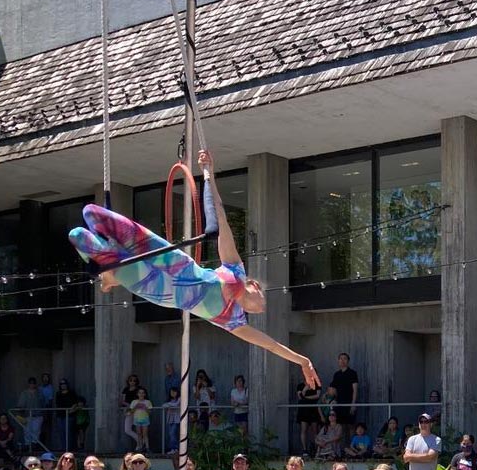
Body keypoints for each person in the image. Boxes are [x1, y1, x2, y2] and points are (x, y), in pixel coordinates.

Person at [72, 148, 320, 390]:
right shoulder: (236, 271)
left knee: (78, 236)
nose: (262, 308)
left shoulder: (233, 320)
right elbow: (220, 218)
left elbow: (271, 345)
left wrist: (303, 361)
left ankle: (110, 275)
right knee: (91, 213)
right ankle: (110, 276)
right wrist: (208, 173)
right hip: (175, 262)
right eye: (263, 301)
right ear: (254, 285)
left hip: (161, 290)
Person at [330, 353, 359, 426]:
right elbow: (333, 389)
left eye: (345, 359)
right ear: (338, 361)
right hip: (339, 403)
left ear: (348, 361)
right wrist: (333, 400)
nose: (342, 360)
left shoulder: (352, 373)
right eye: (341, 359)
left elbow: (355, 390)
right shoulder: (336, 374)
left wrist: (353, 404)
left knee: (351, 426)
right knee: (340, 426)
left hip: (349, 402)